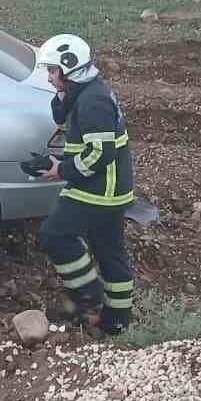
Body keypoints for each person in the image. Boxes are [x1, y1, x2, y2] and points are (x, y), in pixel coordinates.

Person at [35, 34, 135, 334]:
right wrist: (63, 96)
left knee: (54, 234)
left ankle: (87, 297)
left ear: (69, 68)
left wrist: (61, 170)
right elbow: (65, 118)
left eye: (53, 71)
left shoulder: (93, 101)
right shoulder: (87, 92)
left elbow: (100, 154)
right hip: (109, 188)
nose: (50, 77)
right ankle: (116, 323)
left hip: (99, 190)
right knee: (110, 253)